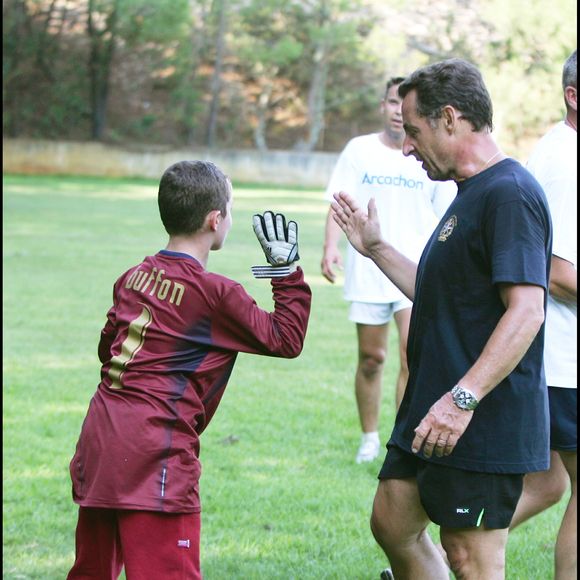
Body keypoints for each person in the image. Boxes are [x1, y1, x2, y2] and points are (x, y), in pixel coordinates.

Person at [331, 58, 552, 579]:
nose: (407, 146)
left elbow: (528, 311)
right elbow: (438, 298)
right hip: (430, 406)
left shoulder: (510, 194)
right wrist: (377, 249)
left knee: (469, 558)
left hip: (478, 416)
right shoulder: (467, 195)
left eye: (414, 131)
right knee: (392, 520)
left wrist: (462, 400)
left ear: (450, 118)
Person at [66, 160, 312, 580]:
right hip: (154, 449)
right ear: (215, 220)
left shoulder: (132, 277)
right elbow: (285, 339)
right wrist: (285, 272)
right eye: (229, 210)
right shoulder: (214, 294)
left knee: (91, 572)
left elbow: (108, 349)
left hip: (101, 439)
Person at [321, 77, 456, 464]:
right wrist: (331, 246)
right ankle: (368, 436)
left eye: (405, 105)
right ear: (383, 106)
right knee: (372, 358)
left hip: (414, 270)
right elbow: (339, 203)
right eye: (392, 103)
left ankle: (403, 437)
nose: (398, 111)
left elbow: (446, 210)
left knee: (410, 355)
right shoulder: (359, 150)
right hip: (367, 268)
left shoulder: (426, 151)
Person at [509, 48, 577, 580]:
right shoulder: (566, 163)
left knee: (548, 483)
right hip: (564, 360)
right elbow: (557, 272)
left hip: (554, 360)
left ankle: (432, 559)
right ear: (573, 97)